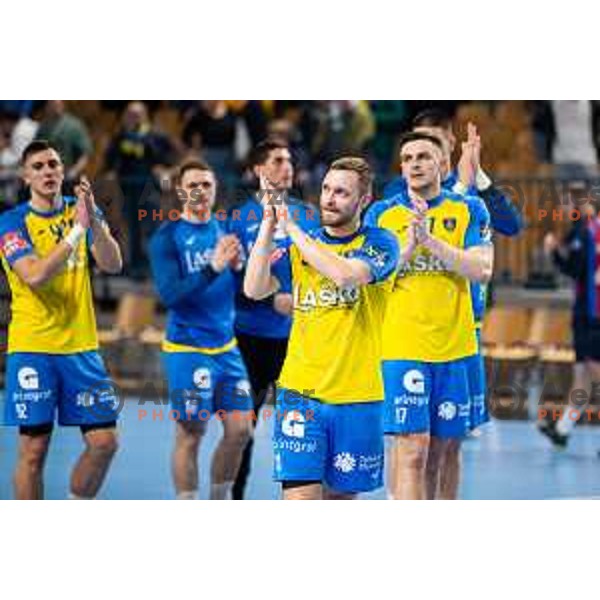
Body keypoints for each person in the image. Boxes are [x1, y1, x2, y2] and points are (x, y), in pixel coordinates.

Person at [244, 156, 399, 500]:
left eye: (341, 192)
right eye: (326, 189)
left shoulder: (381, 243)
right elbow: (254, 288)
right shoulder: (302, 246)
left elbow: (346, 276)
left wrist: (293, 228)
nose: (329, 198)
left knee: (339, 501)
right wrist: (270, 225)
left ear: (364, 200)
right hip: (301, 393)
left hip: (357, 398)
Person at [365, 132, 493, 500]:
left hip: (456, 347)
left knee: (444, 450)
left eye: (423, 156)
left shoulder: (469, 209)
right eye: (407, 158)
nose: (415, 164)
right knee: (413, 448)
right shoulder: (381, 214)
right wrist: (410, 244)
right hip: (401, 346)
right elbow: (372, 274)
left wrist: (432, 242)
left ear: (442, 164)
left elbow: (481, 269)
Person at [0, 140, 123, 499]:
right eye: (37, 166)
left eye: (53, 164)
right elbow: (34, 275)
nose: (48, 171)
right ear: (25, 177)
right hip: (34, 347)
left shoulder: (79, 211)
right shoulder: (10, 222)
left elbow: (113, 263)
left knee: (105, 442)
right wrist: (76, 231)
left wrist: (94, 222)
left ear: (63, 170)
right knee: (34, 451)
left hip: (81, 346)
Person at [149, 160, 252, 500]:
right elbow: (170, 296)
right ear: (180, 191)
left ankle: (219, 502)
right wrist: (213, 267)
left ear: (215, 189)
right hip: (187, 349)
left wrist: (239, 269)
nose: (200, 191)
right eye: (193, 185)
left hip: (226, 347)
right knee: (191, 431)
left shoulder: (226, 231)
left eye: (206, 185)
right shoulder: (167, 237)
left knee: (240, 430)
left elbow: (240, 286)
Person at [227, 138, 319, 499]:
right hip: (249, 338)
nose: (287, 166)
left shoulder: (308, 215)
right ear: (258, 170)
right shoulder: (237, 219)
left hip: (298, 338)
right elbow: (230, 285)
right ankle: (234, 496)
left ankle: (299, 495)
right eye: (278, 160)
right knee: (241, 428)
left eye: (290, 160)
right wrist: (271, 302)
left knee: (300, 426)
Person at [538, 195, 600, 448]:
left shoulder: (587, 232)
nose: (564, 210)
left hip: (592, 313)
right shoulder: (586, 231)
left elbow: (574, 269)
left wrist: (552, 252)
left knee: (593, 372)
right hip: (587, 311)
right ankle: (563, 428)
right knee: (582, 377)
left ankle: (563, 428)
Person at [104, 101, 175, 279]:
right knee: (132, 230)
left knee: (151, 230)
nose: (133, 118)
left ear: (145, 116)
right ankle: (134, 268)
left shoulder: (156, 136)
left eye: (137, 114)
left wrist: (164, 172)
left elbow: (172, 161)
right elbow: (110, 162)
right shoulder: (120, 137)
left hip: (150, 192)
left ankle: (155, 269)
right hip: (127, 191)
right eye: (130, 114)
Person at [37, 101, 93, 183]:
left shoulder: (73, 126)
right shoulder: (44, 125)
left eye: (57, 104)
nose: (54, 106)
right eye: (51, 104)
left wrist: (74, 172)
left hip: (65, 176)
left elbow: (85, 154)